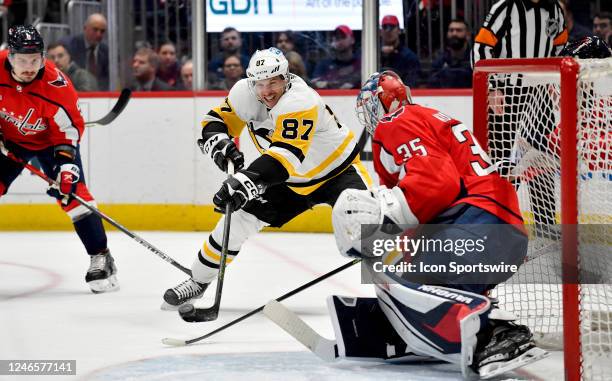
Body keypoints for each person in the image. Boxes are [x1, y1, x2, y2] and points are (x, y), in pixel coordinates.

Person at [324, 70, 545, 378]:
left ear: (382, 103)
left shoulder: (396, 122)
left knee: (399, 281)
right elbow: (428, 200)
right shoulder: (427, 118)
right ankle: (426, 334)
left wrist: (382, 222)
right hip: (498, 231)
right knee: (410, 273)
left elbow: (436, 185)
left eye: (372, 107)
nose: (371, 116)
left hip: (473, 225)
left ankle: (498, 331)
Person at [162, 47, 371, 309]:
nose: (266, 90)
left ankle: (397, 295)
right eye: (259, 83)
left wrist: (244, 181)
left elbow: (285, 158)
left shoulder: (300, 101)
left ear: (286, 77)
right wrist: (218, 142)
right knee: (237, 220)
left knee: (369, 225)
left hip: (338, 172)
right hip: (292, 183)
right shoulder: (244, 94)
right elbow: (215, 121)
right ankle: (197, 282)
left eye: (273, 82)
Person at [0, 25, 118, 293]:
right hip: (9, 141)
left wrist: (66, 167)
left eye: (35, 59)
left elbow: (67, 132)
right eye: (22, 60)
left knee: (73, 194)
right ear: (10, 57)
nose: (29, 67)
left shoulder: (56, 85)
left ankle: (101, 257)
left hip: (50, 143)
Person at [472, 0, 567, 237]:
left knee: (541, 159)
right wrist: (492, 87)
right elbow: (480, 48)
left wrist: (554, 81)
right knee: (503, 160)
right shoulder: (504, 7)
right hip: (507, 93)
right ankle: (498, 221)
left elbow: (561, 48)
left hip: (540, 93)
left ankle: (544, 221)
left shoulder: (554, 8)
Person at [60, 13, 109, 90]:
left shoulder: (106, 51)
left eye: (102, 31)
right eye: (95, 29)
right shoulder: (68, 46)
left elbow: (106, 81)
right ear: (85, 28)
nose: (99, 34)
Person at [311, 25, 361, 89]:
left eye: (343, 37)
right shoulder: (324, 64)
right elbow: (315, 84)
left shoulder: (361, 64)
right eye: (337, 38)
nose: (339, 41)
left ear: (352, 40)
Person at [429, 19, 472, 88]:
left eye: (459, 30)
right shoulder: (439, 61)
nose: (454, 34)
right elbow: (431, 86)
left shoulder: (475, 59)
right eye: (451, 30)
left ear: (468, 35)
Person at [379, 15, 421, 87]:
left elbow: (412, 85)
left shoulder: (409, 58)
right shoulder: (374, 56)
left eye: (391, 27)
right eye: (385, 27)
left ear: (399, 30)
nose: (388, 31)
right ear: (380, 32)